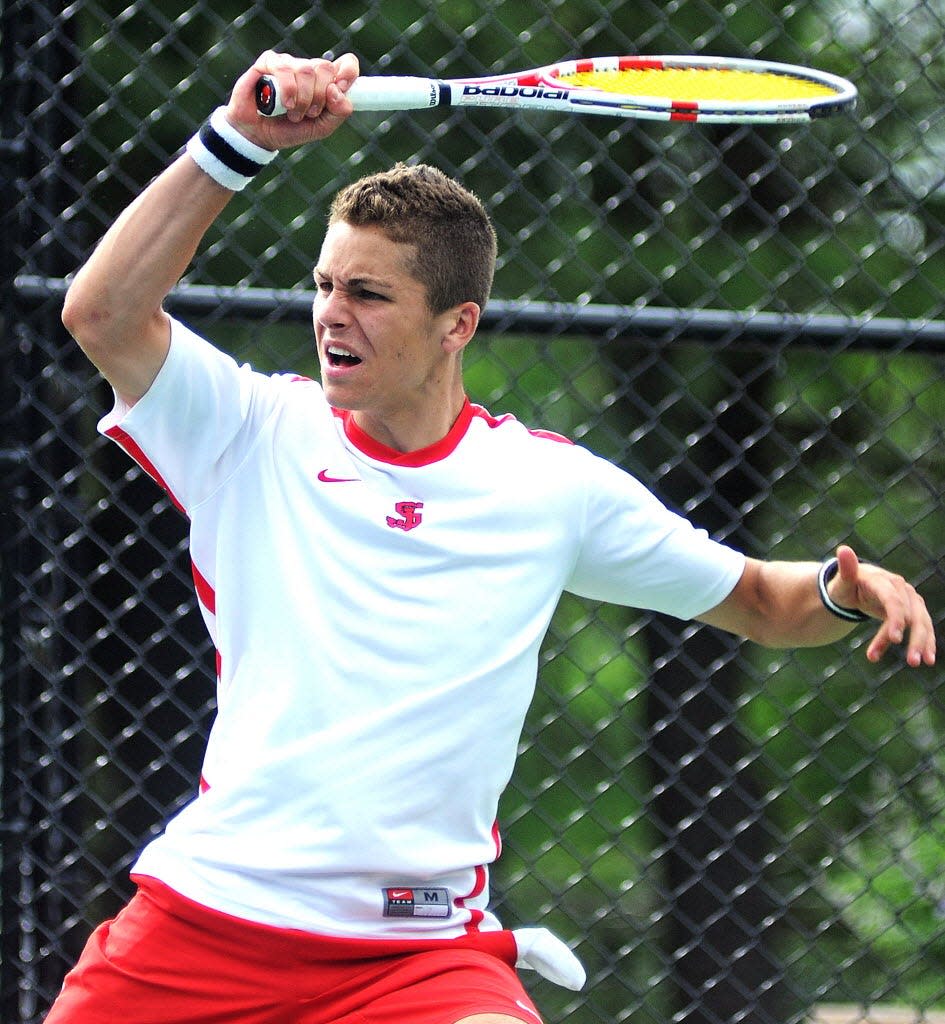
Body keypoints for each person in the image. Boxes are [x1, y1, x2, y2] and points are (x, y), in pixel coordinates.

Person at [52, 49, 935, 1024]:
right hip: (210, 927)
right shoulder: (248, 429)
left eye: (369, 294)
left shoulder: (548, 488)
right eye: (324, 284)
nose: (330, 315)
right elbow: (102, 312)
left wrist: (848, 590)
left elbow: (769, 603)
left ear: (456, 322)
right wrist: (239, 144)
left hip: (420, 959)